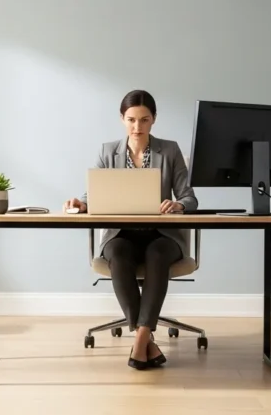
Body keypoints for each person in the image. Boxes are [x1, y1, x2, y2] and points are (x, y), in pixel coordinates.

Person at [63, 90, 198, 370]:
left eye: (144, 120)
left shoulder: (169, 150)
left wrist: (177, 205)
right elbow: (93, 197)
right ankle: (146, 340)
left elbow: (189, 198)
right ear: (122, 119)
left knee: (158, 255)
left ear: (154, 120)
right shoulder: (107, 151)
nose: (138, 127)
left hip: (162, 235)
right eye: (131, 120)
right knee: (119, 255)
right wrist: (81, 202)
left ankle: (140, 340)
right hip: (121, 233)